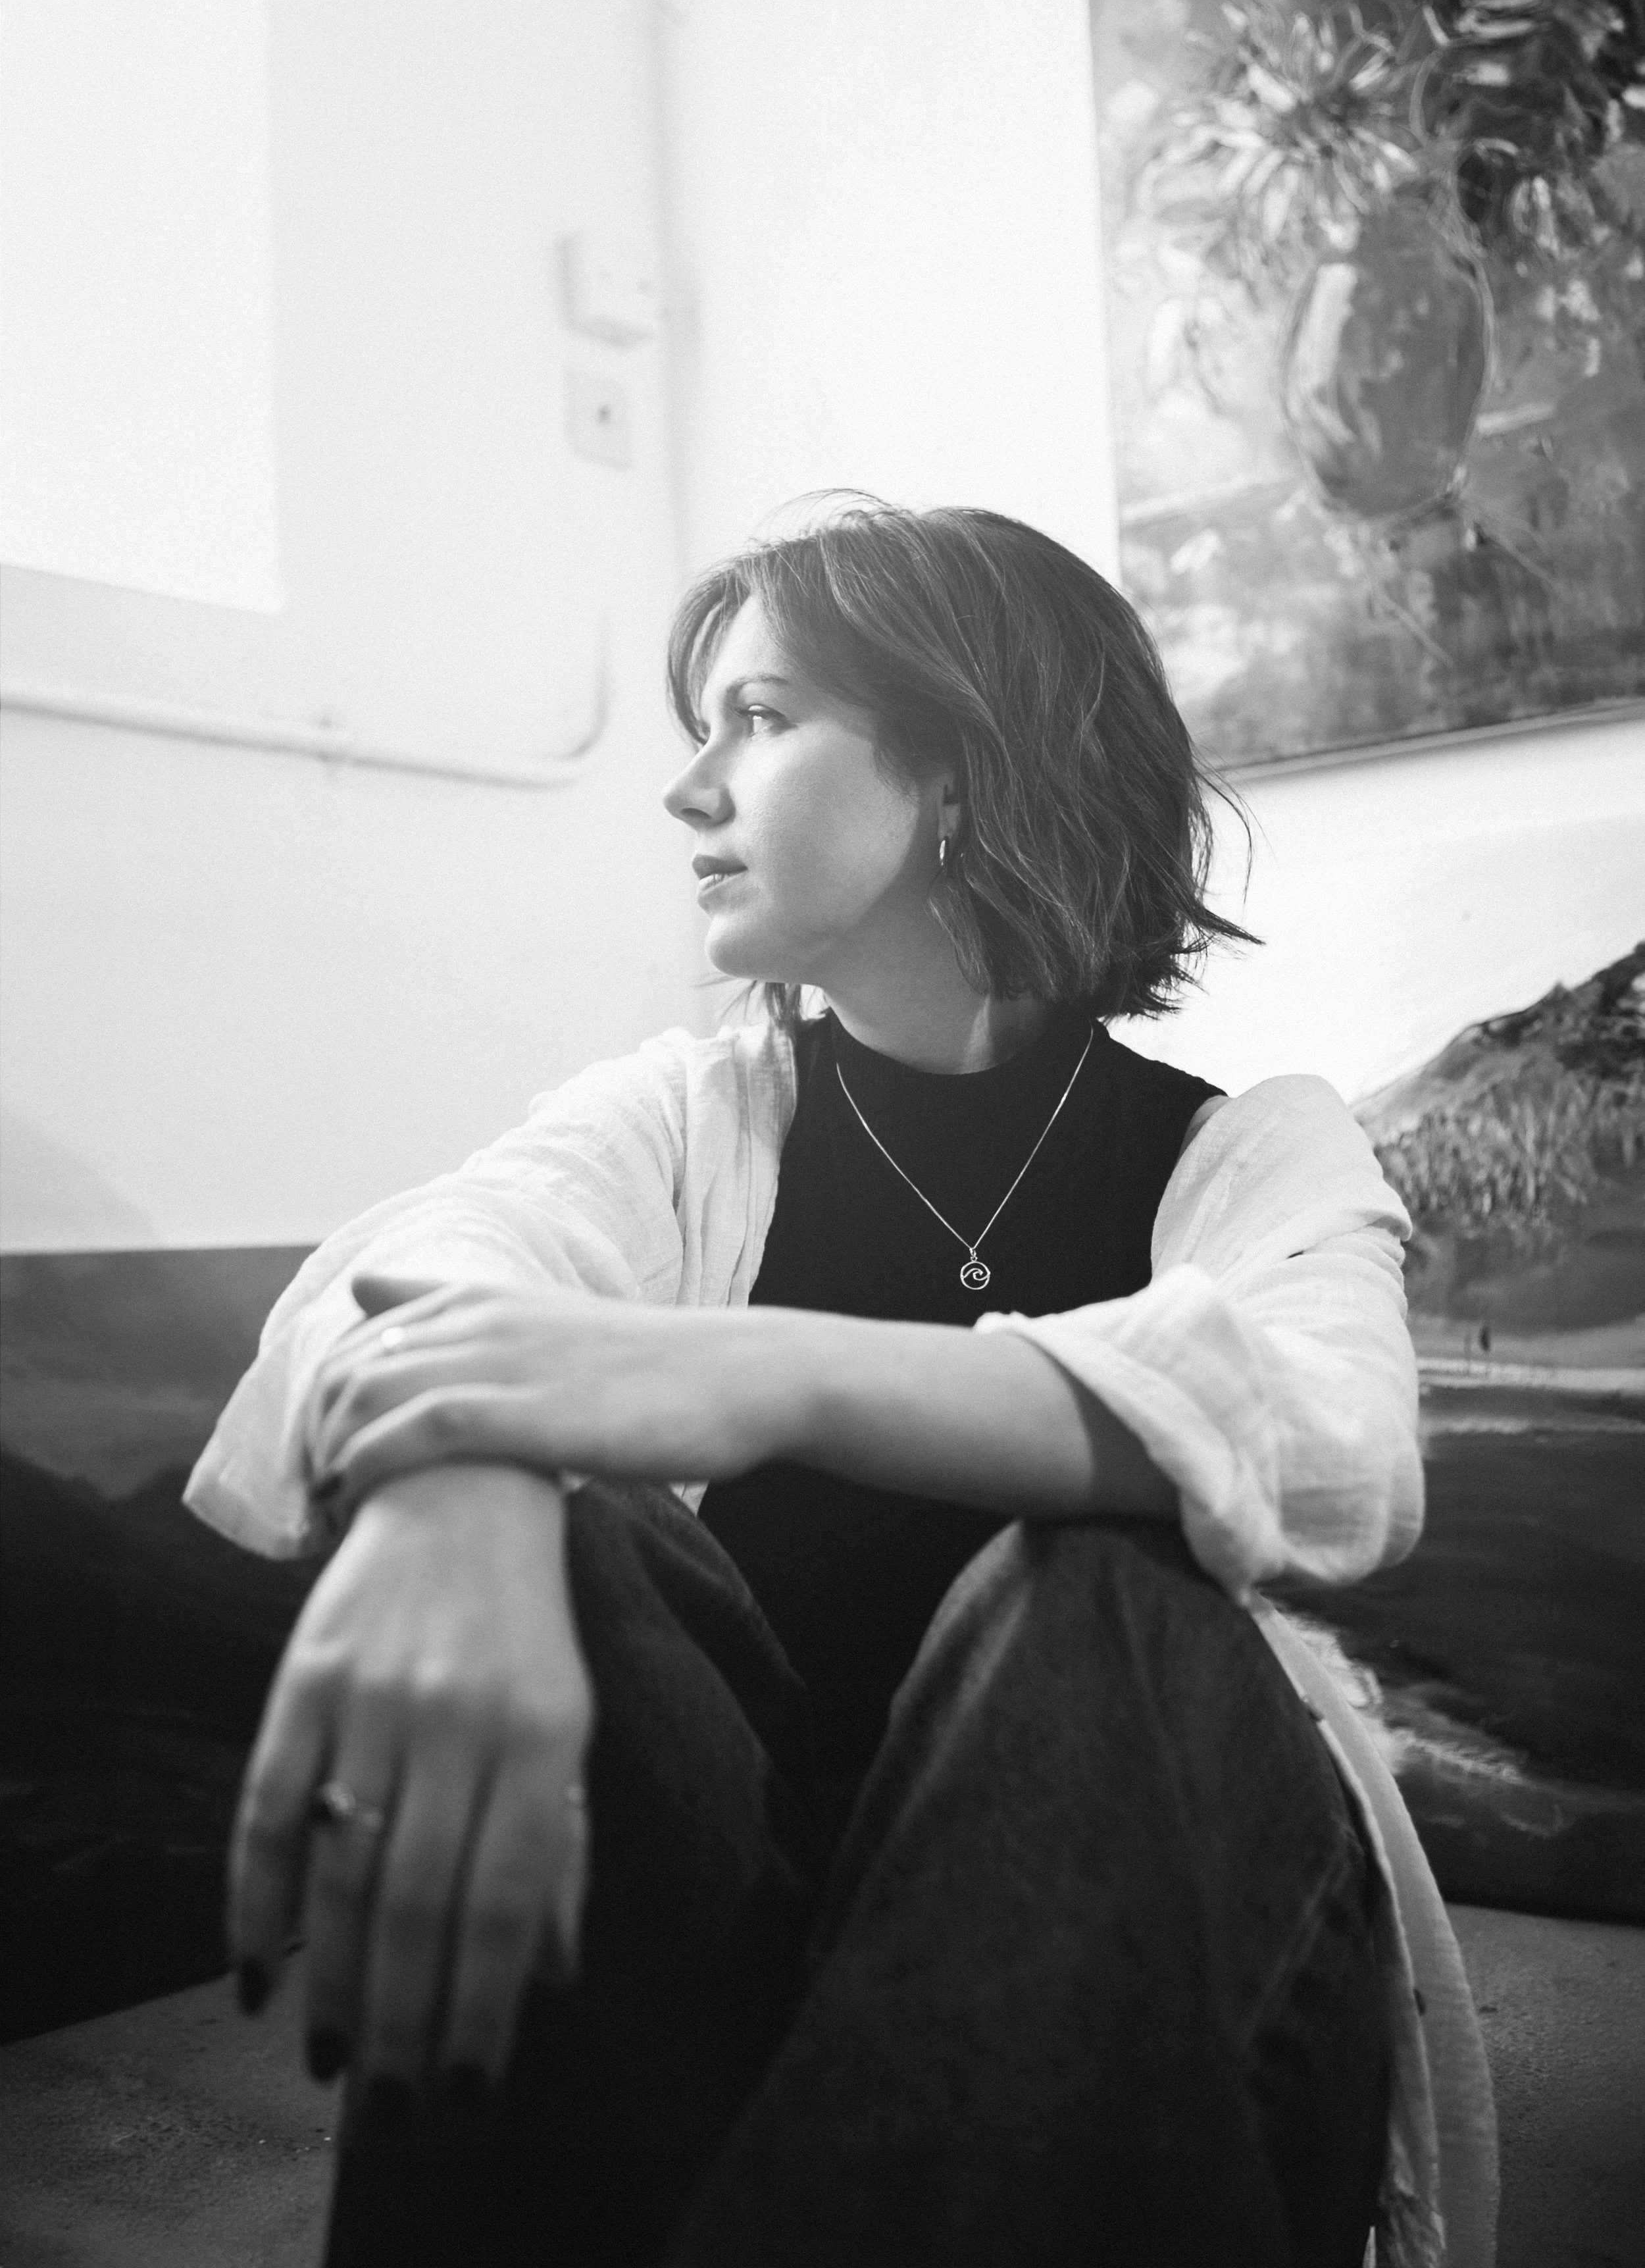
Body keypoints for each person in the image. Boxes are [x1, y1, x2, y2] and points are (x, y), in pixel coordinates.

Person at [188, 503, 1486, 2268]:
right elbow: (399, 1275)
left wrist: (762, 1376)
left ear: (959, 767)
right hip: (762, 1906)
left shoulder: (1251, 1152)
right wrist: (465, 1494)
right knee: (581, 1536)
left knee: (1099, 1594)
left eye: (759, 716)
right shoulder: (691, 1118)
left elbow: (1329, 1441)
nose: (686, 789)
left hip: (1150, 1947)